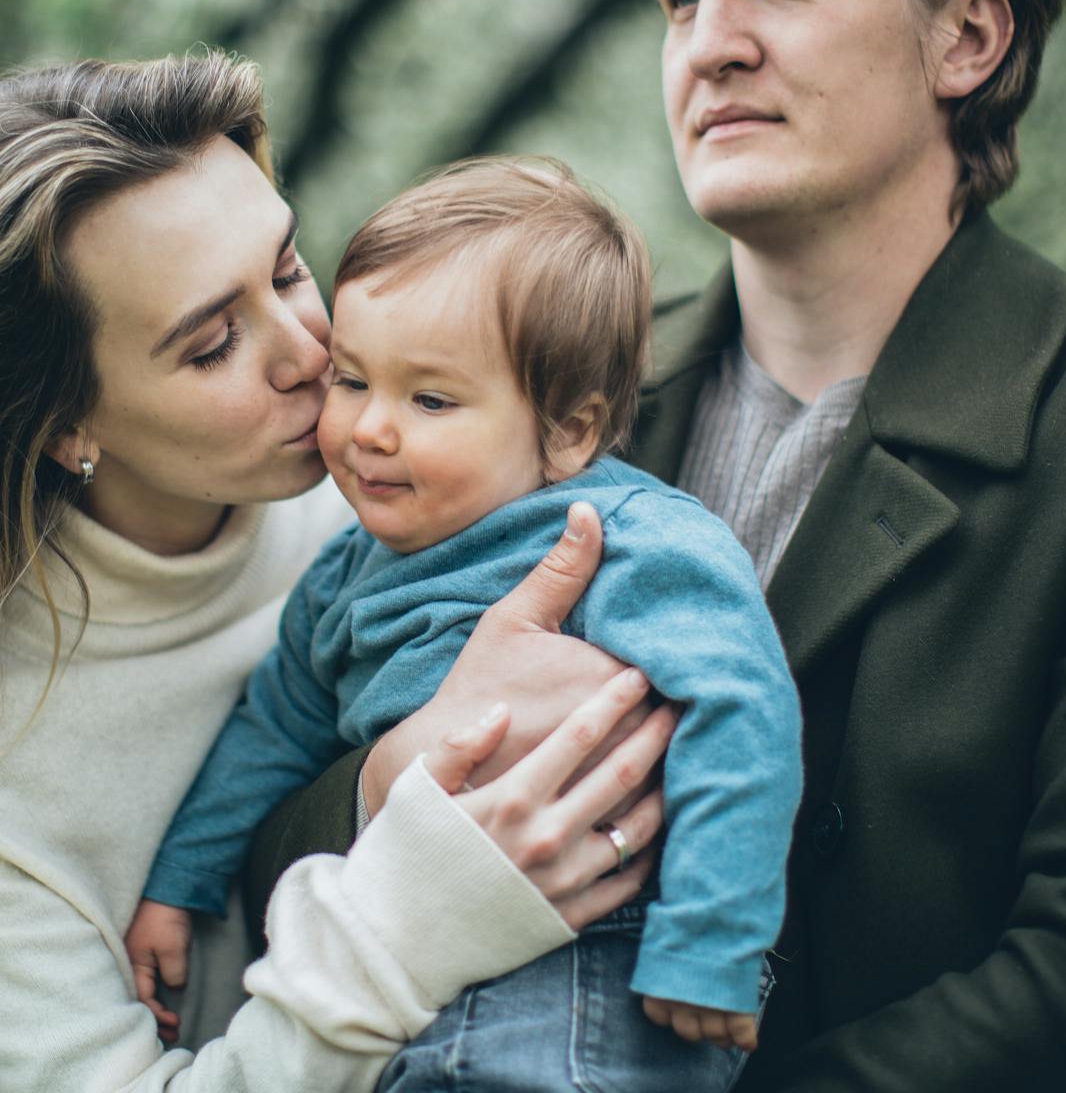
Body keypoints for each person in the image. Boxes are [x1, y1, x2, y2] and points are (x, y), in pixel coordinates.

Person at [246, 0, 1066, 1088]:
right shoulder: (524, 412)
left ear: (967, 37)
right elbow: (272, 824)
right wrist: (399, 773)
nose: (713, 42)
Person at [0, 54, 679, 1093]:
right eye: (213, 343)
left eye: (285, 269)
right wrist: (416, 900)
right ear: (65, 423)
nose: (312, 351)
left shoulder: (391, 494)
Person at [125, 157, 803, 1089]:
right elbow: (271, 730)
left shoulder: (627, 542)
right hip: (420, 940)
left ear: (568, 431)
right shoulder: (343, 573)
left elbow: (744, 708)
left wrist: (711, 938)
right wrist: (177, 884)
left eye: (430, 400)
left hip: (595, 952)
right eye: (353, 380)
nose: (370, 429)